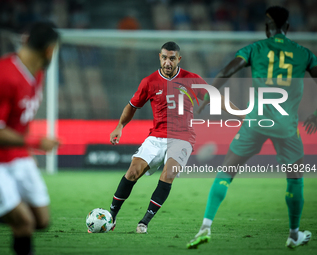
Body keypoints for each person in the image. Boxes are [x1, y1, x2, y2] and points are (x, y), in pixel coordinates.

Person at [187, 6, 317, 249]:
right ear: (287, 28)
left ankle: (205, 226)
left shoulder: (254, 49)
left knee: (227, 171)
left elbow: (226, 71)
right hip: (286, 126)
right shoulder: (304, 54)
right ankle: (294, 233)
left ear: (267, 28)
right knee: (295, 178)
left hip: (255, 122)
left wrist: (208, 97)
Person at [108, 41, 242, 234]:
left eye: (172, 58)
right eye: (164, 57)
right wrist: (120, 126)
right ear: (159, 57)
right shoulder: (149, 81)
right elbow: (132, 106)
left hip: (182, 138)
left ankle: (144, 221)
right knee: (132, 172)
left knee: (168, 173)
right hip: (156, 137)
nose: (167, 62)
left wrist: (241, 114)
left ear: (179, 59)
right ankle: (111, 218)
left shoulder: (192, 79)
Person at [0, 22, 60, 255]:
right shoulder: (3, 75)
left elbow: (20, 119)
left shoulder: (38, 73)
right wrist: (34, 143)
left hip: (16, 154)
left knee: (41, 221)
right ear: (49, 50)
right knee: (24, 223)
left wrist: (26, 153)